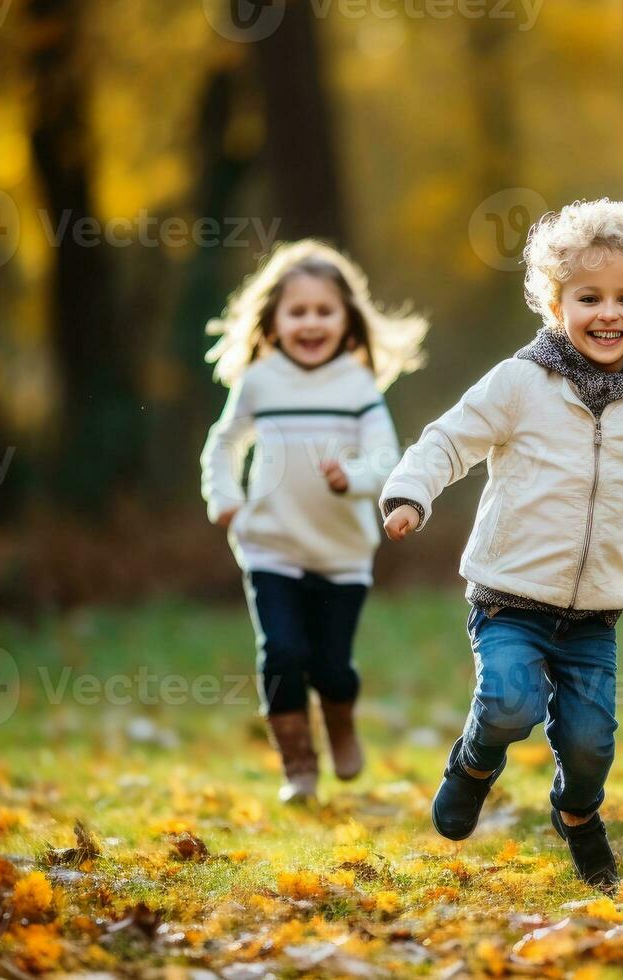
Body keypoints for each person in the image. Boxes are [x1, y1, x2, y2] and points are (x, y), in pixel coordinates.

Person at [380, 198, 623, 889]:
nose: (608, 313)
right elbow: (450, 439)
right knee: (509, 705)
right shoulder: (520, 383)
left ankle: (577, 811)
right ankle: (473, 764)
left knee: (591, 743)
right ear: (555, 301)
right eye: (588, 296)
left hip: (595, 612)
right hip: (509, 594)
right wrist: (410, 491)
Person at [200, 239, 427, 804]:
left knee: (330, 666)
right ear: (273, 321)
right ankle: (298, 765)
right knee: (281, 653)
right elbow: (223, 444)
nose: (310, 322)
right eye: (297, 311)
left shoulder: (358, 388)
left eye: (324, 311)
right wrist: (223, 496)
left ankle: (341, 722)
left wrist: (352, 476)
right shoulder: (259, 381)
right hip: (269, 546)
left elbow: (385, 458)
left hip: (342, 554)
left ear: (347, 321)